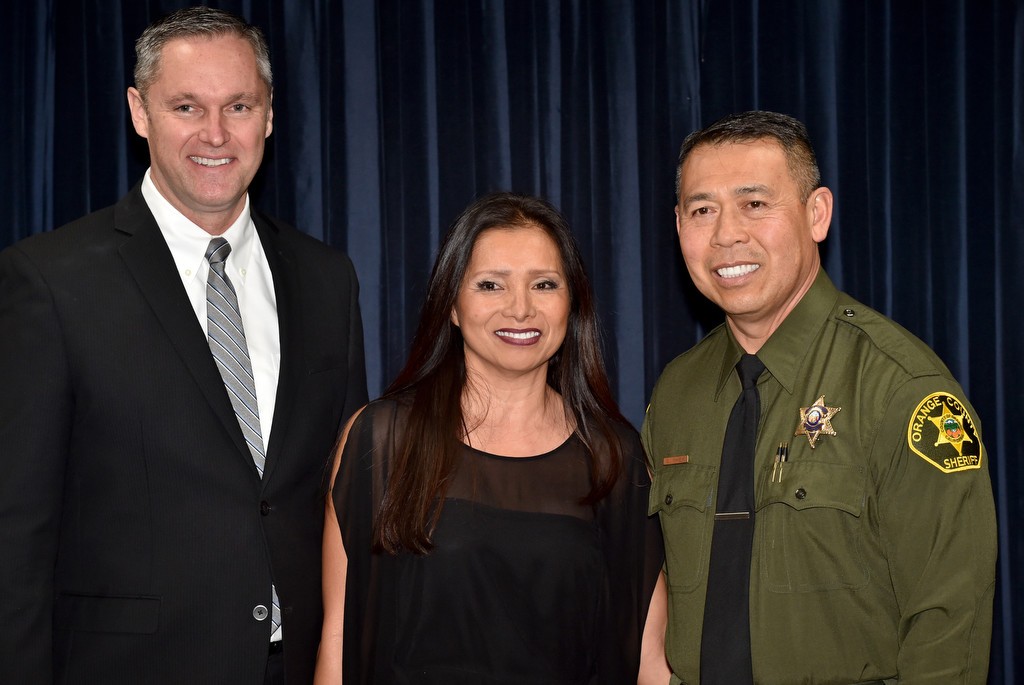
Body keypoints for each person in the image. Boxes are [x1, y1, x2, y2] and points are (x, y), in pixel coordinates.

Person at [0, 7, 366, 684]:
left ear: (271, 114)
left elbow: (350, 506)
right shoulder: (48, 281)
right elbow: (15, 536)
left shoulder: (327, 279)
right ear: (139, 111)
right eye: (187, 106)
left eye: (239, 105)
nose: (216, 134)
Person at [643, 110, 996, 684]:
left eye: (755, 204)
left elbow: (950, 626)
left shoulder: (902, 390)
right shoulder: (678, 390)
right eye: (702, 210)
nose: (727, 233)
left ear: (817, 214)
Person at [315, 192, 668, 684]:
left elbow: (648, 661)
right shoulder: (381, 439)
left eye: (544, 284)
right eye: (490, 285)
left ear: (573, 304)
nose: (520, 309)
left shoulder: (614, 459)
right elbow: (338, 638)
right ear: (453, 306)